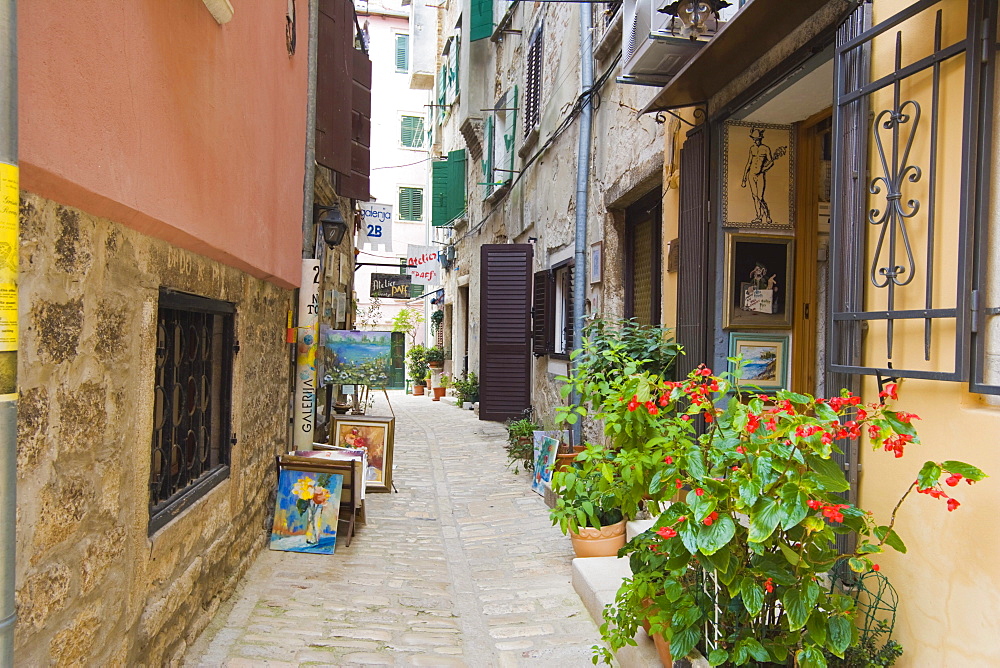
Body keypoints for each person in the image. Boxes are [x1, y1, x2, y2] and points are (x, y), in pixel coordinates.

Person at [741, 127, 774, 225]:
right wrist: (744, 178)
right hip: (752, 174)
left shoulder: (765, 148)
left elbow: (771, 161)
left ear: (761, 139)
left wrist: (764, 169)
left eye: (757, 139)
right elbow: (749, 162)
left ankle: (767, 215)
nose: (756, 141)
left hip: (760, 174)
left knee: (760, 196)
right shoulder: (752, 149)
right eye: (754, 139)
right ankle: (758, 216)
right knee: (754, 196)